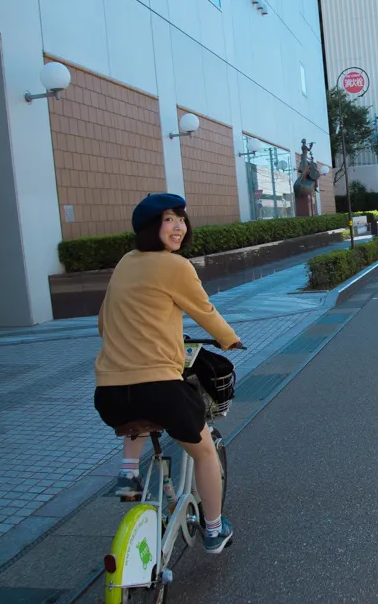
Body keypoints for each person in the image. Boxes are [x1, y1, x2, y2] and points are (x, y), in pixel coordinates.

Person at [93, 193, 242, 555]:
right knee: (204, 452)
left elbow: (102, 320)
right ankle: (212, 530)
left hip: (108, 393)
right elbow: (202, 308)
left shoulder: (126, 262)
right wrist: (229, 338)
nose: (178, 226)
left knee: (140, 418)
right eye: (168, 220)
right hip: (160, 388)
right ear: (150, 227)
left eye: (181, 219)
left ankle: (128, 473)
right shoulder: (175, 267)